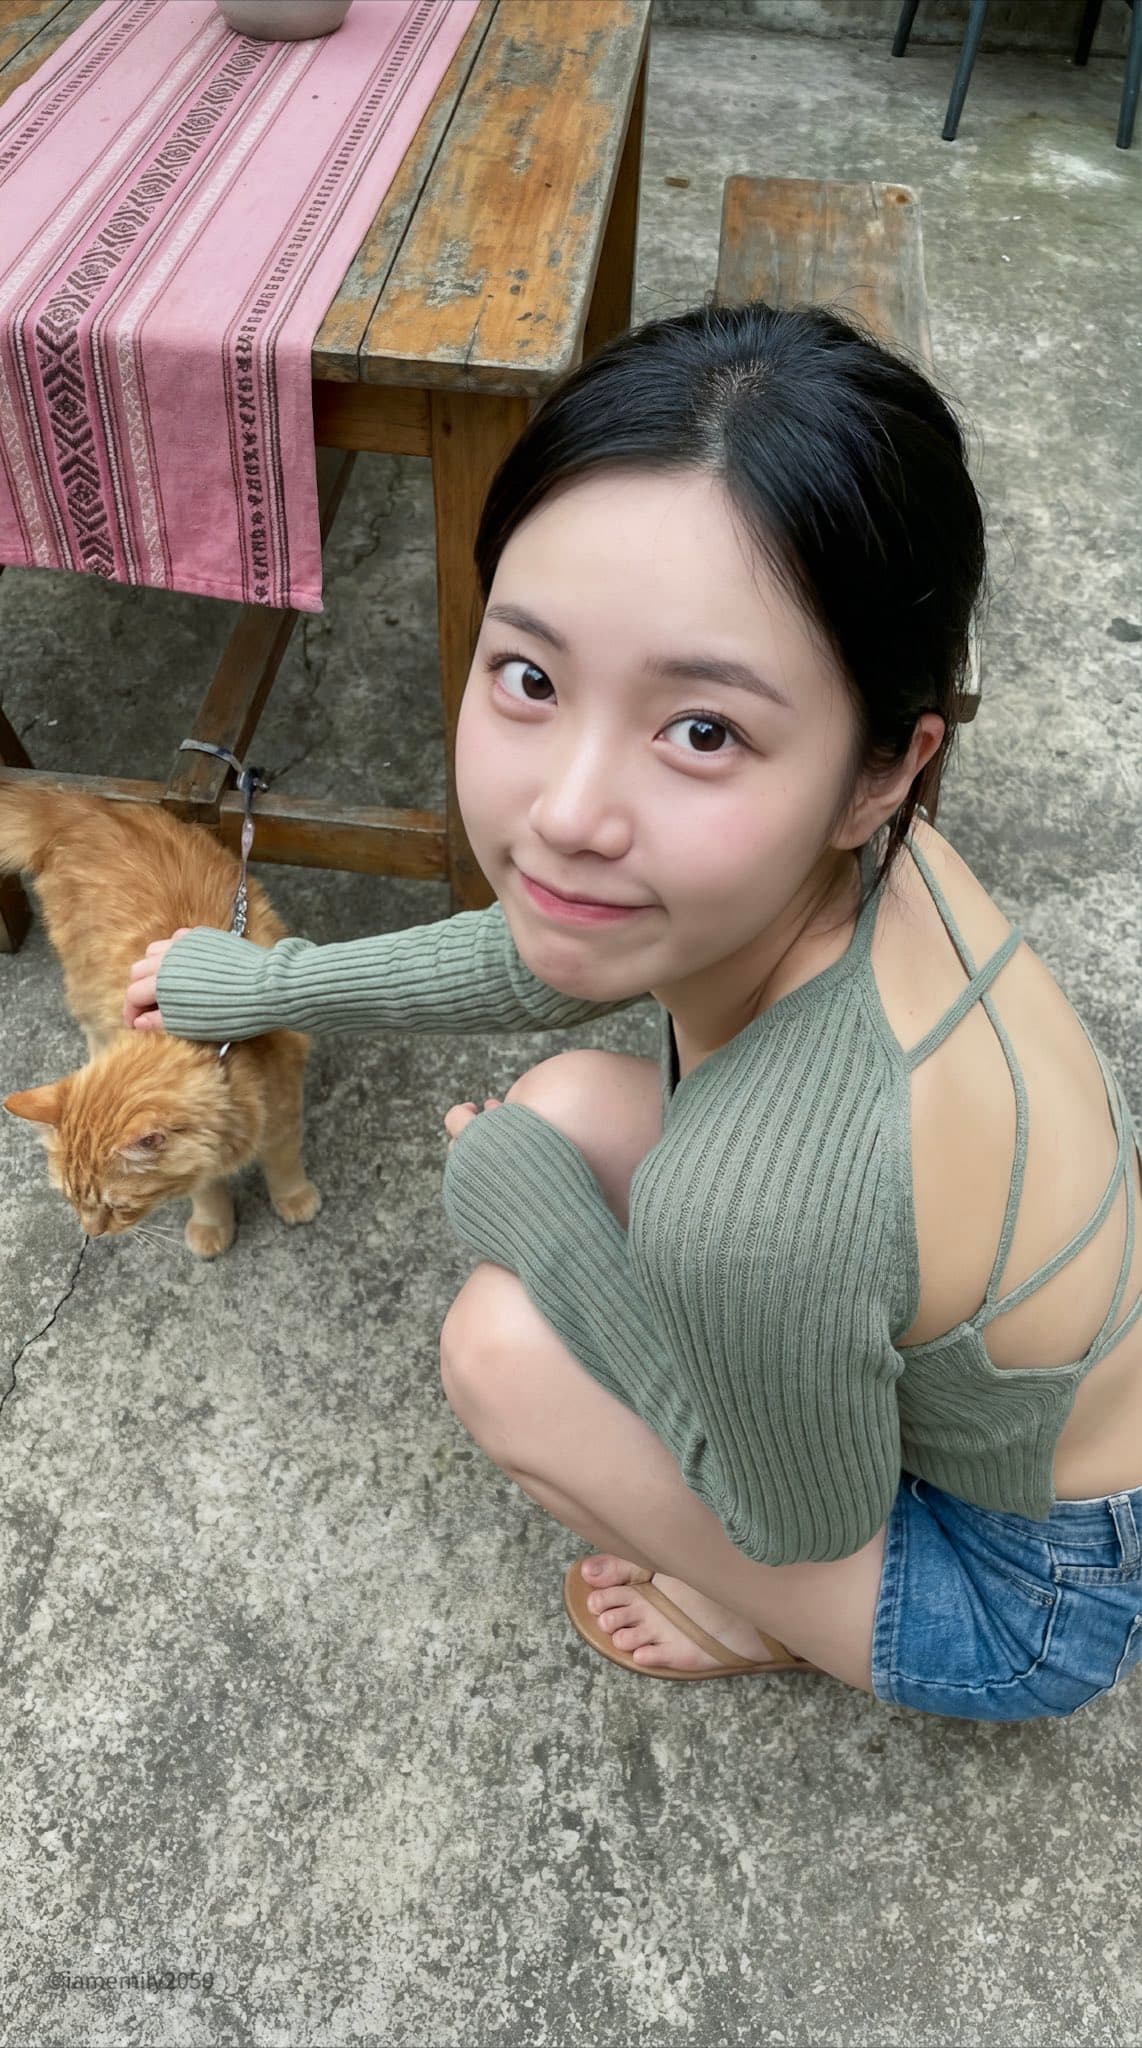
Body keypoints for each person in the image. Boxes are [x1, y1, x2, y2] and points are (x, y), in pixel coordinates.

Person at [124, 301, 1142, 1721]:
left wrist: (543, 1220)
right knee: (572, 1101)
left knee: (501, 1347)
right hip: (1006, 1396)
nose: (567, 812)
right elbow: (538, 953)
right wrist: (267, 985)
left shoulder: (762, 1196)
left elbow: (805, 1516)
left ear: (879, 766)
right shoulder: (851, 864)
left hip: (1026, 1588)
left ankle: (768, 1631)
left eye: (702, 730)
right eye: (529, 677)